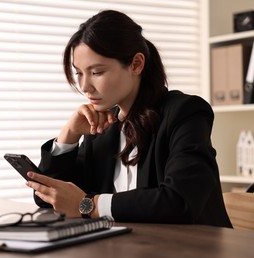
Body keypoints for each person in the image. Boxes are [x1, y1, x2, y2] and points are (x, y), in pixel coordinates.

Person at [25, 10, 232, 227]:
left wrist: (90, 205)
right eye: (79, 73)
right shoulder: (102, 127)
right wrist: (68, 136)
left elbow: (179, 202)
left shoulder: (185, 112)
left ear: (136, 64)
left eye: (96, 72)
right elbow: (49, 199)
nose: (84, 87)